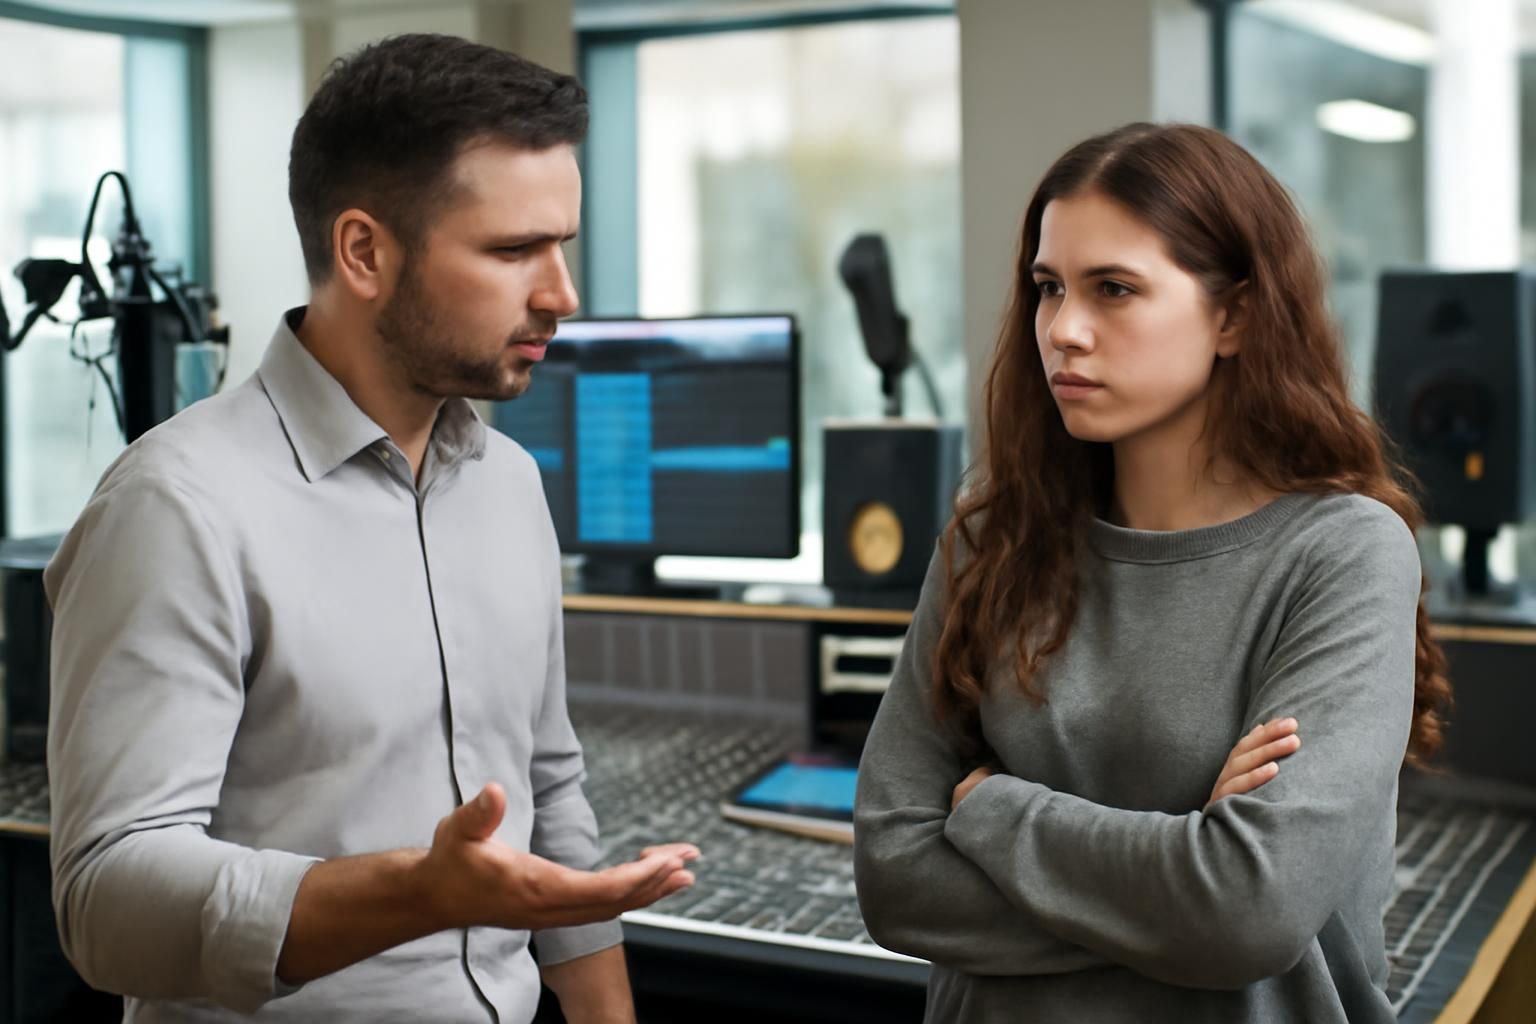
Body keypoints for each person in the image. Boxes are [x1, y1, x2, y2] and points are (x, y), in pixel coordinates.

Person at [44, 33, 697, 1024]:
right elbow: (105, 902)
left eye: (560, 244)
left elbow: (549, 789)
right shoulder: (174, 506)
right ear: (364, 252)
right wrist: (412, 893)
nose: (562, 293)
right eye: (515, 249)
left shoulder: (510, 484)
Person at [852, 121, 1452, 1023]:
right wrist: (1182, 868)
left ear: (1236, 314)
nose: (1065, 331)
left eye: (1115, 289)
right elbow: (893, 876)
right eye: (1048, 288)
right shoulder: (991, 542)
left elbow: (1248, 912)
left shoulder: (1344, 553)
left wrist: (994, 811)